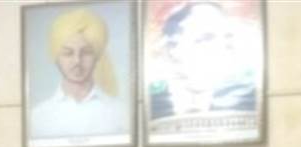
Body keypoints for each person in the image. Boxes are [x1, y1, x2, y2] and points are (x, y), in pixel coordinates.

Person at [148, 1, 257, 120]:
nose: (221, 49)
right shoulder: (149, 104)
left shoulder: (248, 102)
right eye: (206, 39)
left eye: (227, 39)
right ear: (171, 48)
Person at [29, 7, 128, 139]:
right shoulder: (37, 117)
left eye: (86, 53)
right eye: (68, 53)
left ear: (97, 56)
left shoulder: (120, 113)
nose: (77, 61)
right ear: (56, 57)